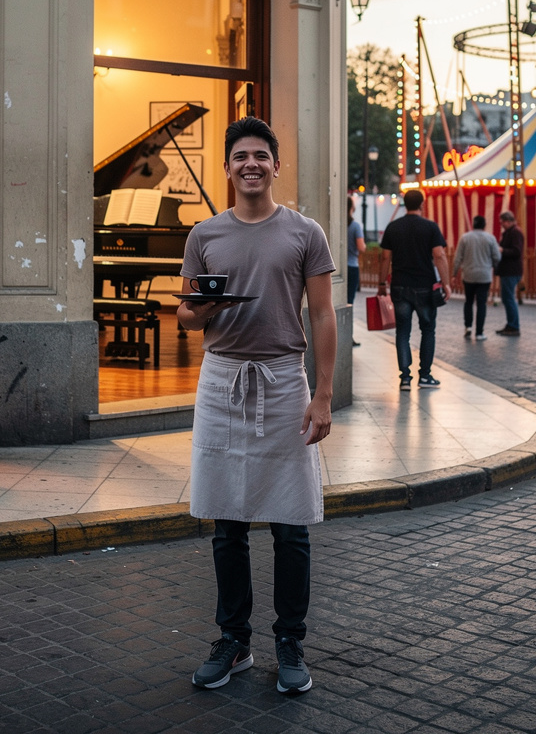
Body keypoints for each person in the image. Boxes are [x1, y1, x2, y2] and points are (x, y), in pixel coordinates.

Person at [178, 116, 336, 696]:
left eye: (260, 156)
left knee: (291, 524)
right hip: (222, 381)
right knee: (228, 522)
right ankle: (233, 641)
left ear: (275, 165)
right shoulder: (204, 235)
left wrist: (322, 395)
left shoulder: (304, 233)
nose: (250, 164)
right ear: (227, 167)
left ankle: (290, 642)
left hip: (281, 379)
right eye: (239, 156)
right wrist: (204, 312)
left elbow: (321, 314)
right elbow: (187, 314)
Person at [377, 188, 450, 389]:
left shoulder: (393, 227)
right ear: (422, 204)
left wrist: (382, 283)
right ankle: (425, 375)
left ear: (404, 204)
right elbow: (439, 256)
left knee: (403, 331)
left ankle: (405, 378)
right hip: (425, 287)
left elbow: (385, 258)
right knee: (427, 330)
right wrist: (446, 284)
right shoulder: (430, 227)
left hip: (399, 286)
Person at [452, 215, 500, 340]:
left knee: (468, 301)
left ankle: (468, 327)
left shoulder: (465, 238)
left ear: (473, 225)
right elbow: (497, 257)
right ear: (484, 225)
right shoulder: (490, 238)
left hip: (468, 274)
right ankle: (479, 332)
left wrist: (454, 273)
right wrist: (494, 266)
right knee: (481, 304)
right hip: (484, 275)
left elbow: (457, 258)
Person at [495, 210, 525, 336]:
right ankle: (511, 324)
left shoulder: (515, 233)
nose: (501, 225)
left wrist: (502, 250)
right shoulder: (510, 233)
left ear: (508, 221)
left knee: (509, 299)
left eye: (503, 223)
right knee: (507, 299)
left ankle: (513, 325)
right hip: (508, 270)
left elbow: (516, 251)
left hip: (511, 271)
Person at [346, 196, 366, 346]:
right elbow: (361, 247)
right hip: (352, 266)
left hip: (339, 266)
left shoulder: (340, 224)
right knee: (350, 302)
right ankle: (348, 335)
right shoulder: (355, 226)